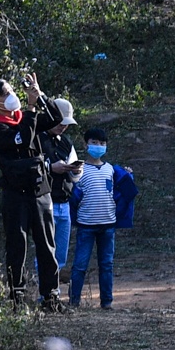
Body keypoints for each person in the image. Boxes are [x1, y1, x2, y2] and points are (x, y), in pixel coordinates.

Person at [0, 73, 64, 311]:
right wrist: (29, 108)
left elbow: (55, 118)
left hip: (40, 191)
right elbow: (24, 139)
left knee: (47, 245)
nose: (12, 96)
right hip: (16, 194)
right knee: (17, 246)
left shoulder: (24, 118)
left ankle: (52, 297)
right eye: (6, 93)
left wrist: (40, 97)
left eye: (11, 90)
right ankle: (17, 298)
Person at [68, 126, 132, 309]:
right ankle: (74, 302)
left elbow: (121, 191)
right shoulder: (78, 170)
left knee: (107, 265)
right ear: (85, 144)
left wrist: (128, 175)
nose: (98, 146)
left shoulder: (111, 170)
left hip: (108, 225)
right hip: (86, 225)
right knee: (79, 266)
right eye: (94, 143)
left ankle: (107, 302)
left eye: (102, 143)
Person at [43, 98, 83, 271]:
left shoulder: (66, 142)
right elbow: (29, 166)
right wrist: (51, 168)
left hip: (64, 203)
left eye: (66, 123)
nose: (63, 126)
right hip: (45, 201)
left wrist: (75, 171)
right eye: (60, 122)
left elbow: (76, 176)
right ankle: (44, 293)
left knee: (61, 255)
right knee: (45, 251)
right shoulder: (36, 139)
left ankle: (54, 292)